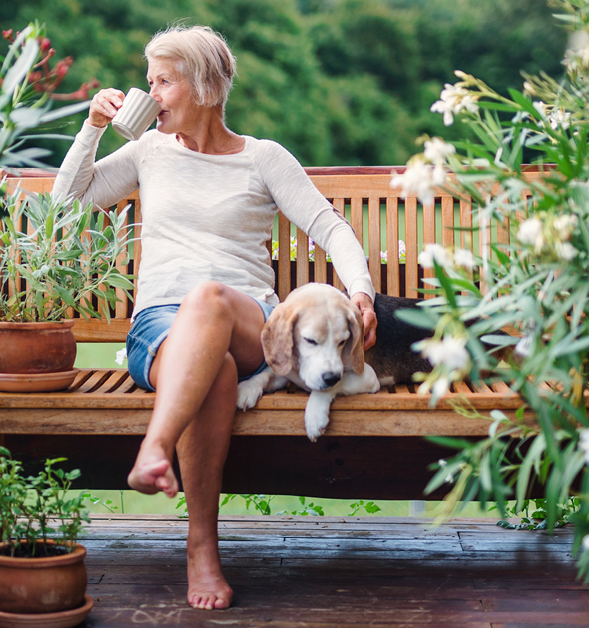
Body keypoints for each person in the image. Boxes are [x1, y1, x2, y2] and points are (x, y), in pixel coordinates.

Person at [51, 25, 377, 610]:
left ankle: (154, 448)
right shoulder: (149, 151)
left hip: (251, 322)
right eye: (149, 81)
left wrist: (362, 293)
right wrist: (93, 126)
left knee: (208, 298)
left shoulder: (263, 158)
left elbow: (329, 227)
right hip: (161, 324)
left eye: (163, 82)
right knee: (217, 371)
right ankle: (201, 549)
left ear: (204, 87)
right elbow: (66, 205)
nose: (150, 94)